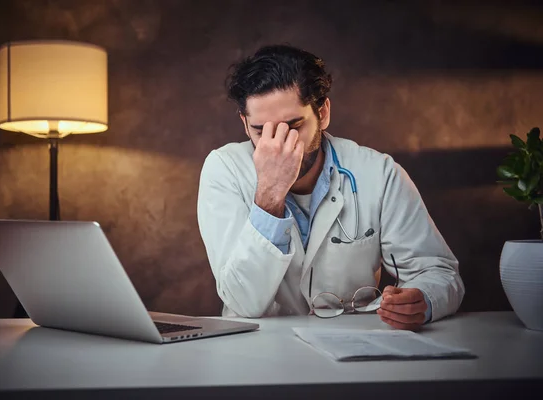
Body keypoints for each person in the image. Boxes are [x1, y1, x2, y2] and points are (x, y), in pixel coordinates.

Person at [196, 44, 464, 330]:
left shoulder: (379, 172)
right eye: (261, 131)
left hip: (352, 348)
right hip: (258, 353)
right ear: (244, 124)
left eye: (293, 125)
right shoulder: (223, 169)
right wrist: (269, 196)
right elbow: (243, 303)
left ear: (322, 113)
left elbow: (438, 271)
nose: (278, 143)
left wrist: (422, 300)